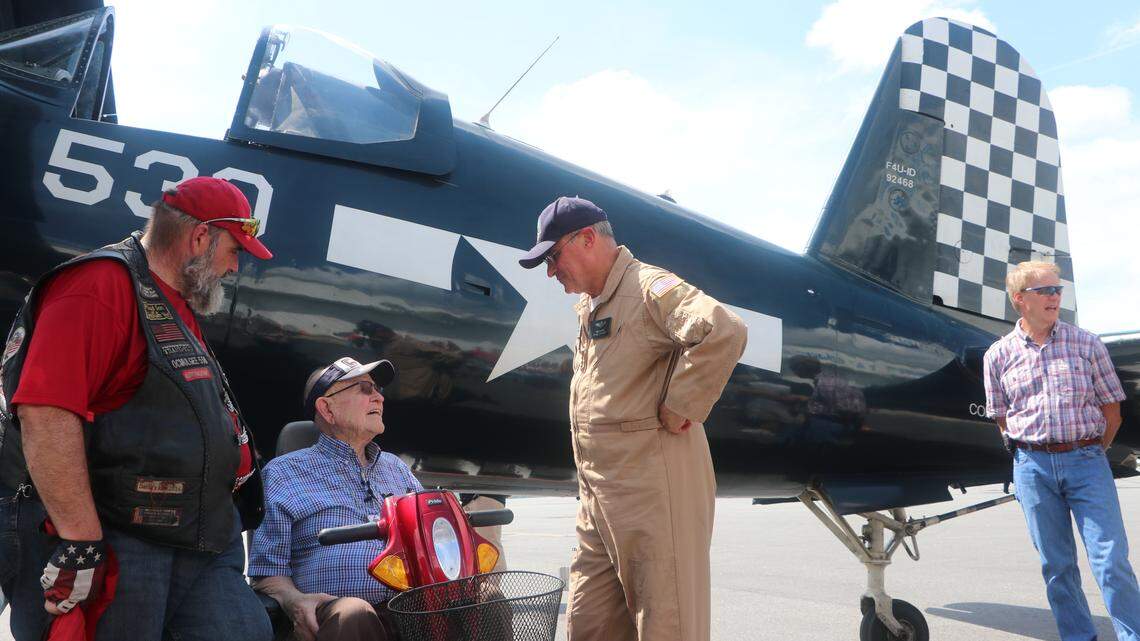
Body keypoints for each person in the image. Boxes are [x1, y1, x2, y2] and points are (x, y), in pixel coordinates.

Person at [0, 176, 274, 641]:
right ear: (200, 237)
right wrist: (81, 539)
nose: (234, 268)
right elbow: (46, 413)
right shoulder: (97, 285)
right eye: (236, 250)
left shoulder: (174, 303)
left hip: (201, 540)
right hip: (121, 538)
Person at [518, 196, 747, 641]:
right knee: (589, 625)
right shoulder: (592, 305)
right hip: (598, 498)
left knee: (667, 627)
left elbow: (723, 329)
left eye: (553, 256)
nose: (550, 271)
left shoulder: (647, 287)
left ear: (587, 239)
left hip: (653, 492)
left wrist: (683, 402)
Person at [983, 260, 1140, 641]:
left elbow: (1112, 410)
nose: (1056, 297)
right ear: (1021, 299)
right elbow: (1001, 416)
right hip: (1032, 466)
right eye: (1046, 291)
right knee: (1056, 565)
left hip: (1087, 461)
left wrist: (1090, 451)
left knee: (1111, 560)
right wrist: (1030, 451)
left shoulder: (1087, 343)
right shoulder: (997, 356)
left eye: (1058, 290)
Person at [249, 357, 423, 641]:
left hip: (414, 609)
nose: (378, 396)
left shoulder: (397, 469)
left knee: (486, 599)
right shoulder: (284, 473)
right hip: (341, 617)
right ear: (327, 408)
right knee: (352, 612)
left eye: (378, 389)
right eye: (364, 389)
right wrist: (293, 600)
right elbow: (266, 576)